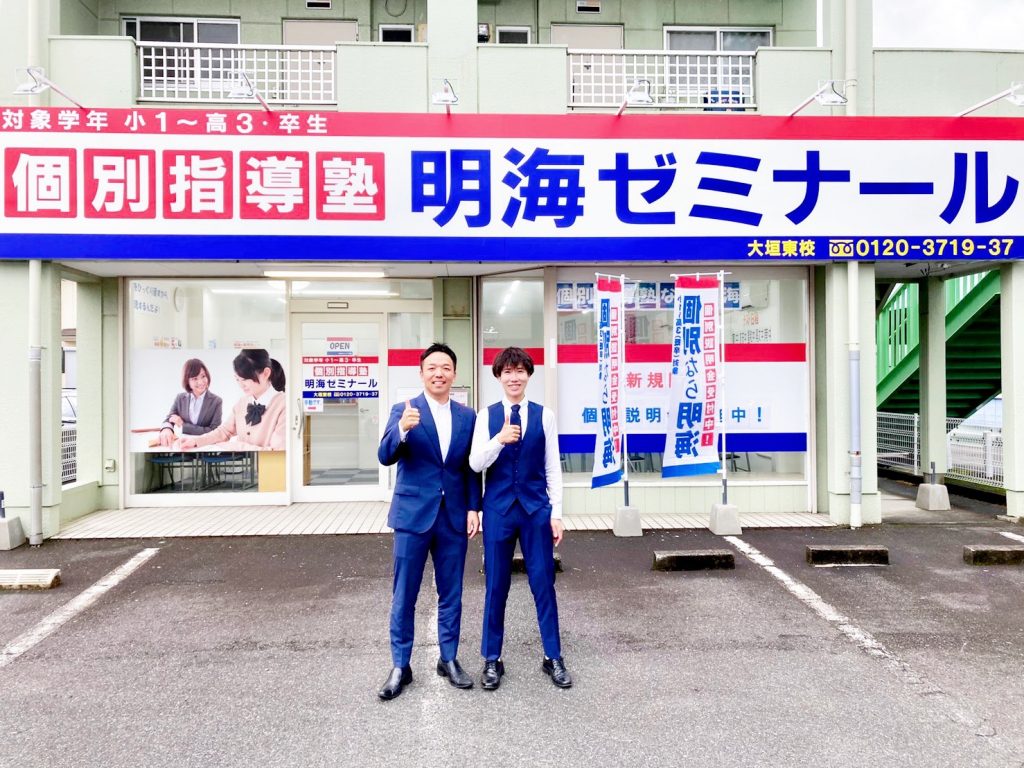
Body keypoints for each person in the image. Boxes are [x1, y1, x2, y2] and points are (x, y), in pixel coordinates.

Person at [376, 342, 482, 701]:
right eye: (432, 367)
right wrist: (401, 430)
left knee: (451, 592)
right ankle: (400, 666)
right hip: (412, 516)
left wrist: (473, 507)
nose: (439, 373)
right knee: (404, 593)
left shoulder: (467, 416)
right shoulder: (404, 410)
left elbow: (470, 467)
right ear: (421, 374)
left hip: (452, 516)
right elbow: (385, 455)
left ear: (454, 374)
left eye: (446, 367)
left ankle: (448, 658)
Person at [469, 346, 571, 690]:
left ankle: (553, 656)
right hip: (498, 511)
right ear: (498, 376)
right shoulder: (486, 416)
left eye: (520, 371)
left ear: (529, 375)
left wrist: (556, 513)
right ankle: (491, 659)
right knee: (496, 584)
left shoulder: (545, 416)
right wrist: (498, 440)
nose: (514, 377)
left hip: (535, 510)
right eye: (508, 372)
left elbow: (552, 467)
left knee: (543, 582)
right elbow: (475, 463)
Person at [180, 348, 286, 451]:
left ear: (266, 373)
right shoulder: (242, 403)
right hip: (243, 462)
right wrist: (195, 441)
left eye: (245, 379)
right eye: (237, 379)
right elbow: (224, 431)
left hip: (266, 463)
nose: (241, 385)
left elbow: (277, 452)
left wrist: (237, 447)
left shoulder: (284, 405)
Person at [157, 358, 223, 448]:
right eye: (195, 378)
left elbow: (215, 432)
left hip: (204, 447)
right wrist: (166, 429)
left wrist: (183, 425)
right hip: (183, 445)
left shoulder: (216, 401)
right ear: (187, 381)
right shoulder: (180, 398)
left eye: (203, 376)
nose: (201, 382)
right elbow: (169, 418)